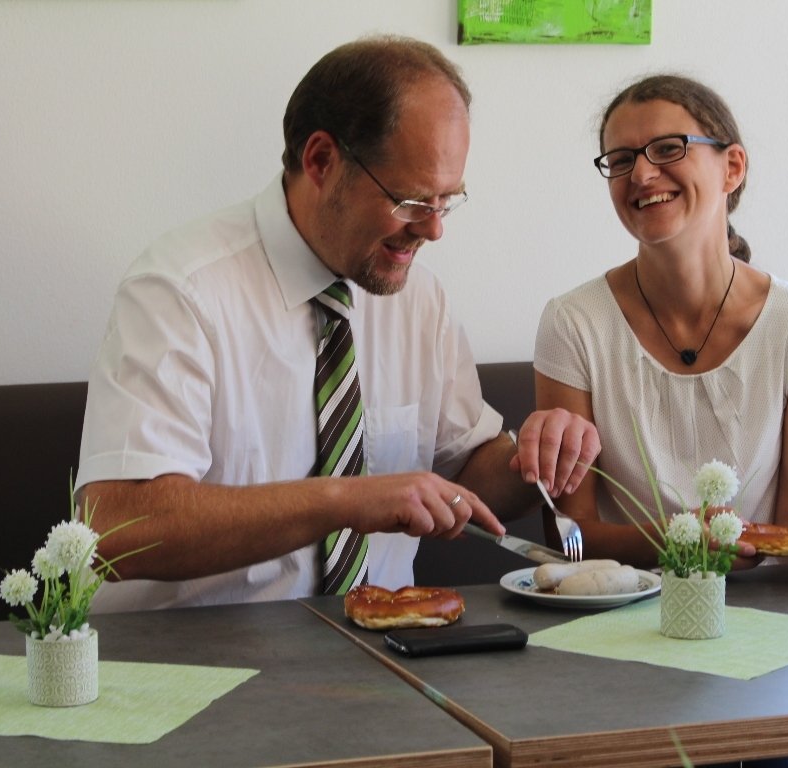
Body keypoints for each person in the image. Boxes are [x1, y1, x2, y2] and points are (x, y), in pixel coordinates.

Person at [75, 35, 599, 611]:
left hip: (384, 651)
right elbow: (119, 529)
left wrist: (535, 458)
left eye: (447, 201)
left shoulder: (419, 299)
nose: (433, 231)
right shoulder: (181, 290)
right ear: (321, 160)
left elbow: (466, 475)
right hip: (192, 669)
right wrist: (345, 499)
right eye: (412, 201)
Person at [534, 73, 788, 587]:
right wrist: (680, 539)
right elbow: (567, 538)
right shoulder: (573, 323)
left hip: (765, 619)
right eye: (621, 160)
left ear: (732, 167)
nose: (641, 174)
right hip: (624, 612)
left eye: (668, 149)